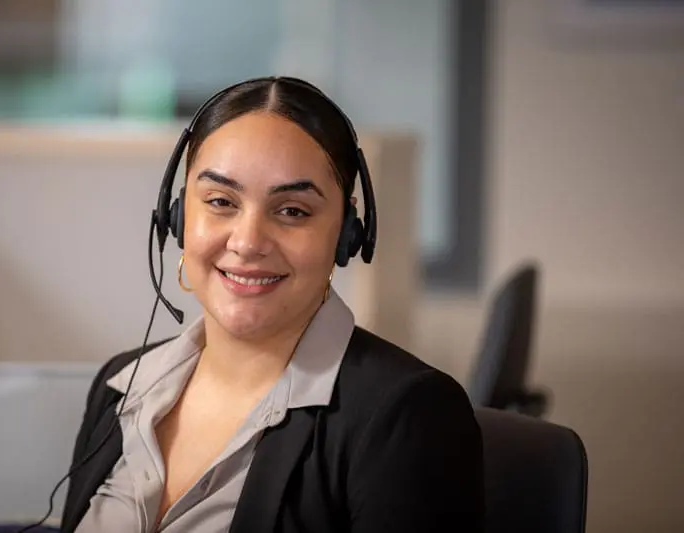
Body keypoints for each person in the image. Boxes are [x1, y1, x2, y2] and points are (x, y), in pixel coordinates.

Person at [60, 77, 484, 533]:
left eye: (293, 211)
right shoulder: (121, 388)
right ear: (179, 218)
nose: (247, 242)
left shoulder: (406, 415)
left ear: (346, 235)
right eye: (221, 201)